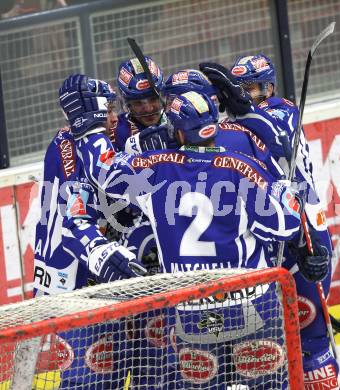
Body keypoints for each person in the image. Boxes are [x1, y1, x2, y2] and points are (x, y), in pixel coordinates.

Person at [58, 68, 302, 387]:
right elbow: (286, 225)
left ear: (176, 130)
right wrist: (285, 189)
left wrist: (88, 128)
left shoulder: (157, 170)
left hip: (191, 312)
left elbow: (104, 172)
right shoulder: (245, 169)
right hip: (252, 302)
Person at [201, 58, 337, 388]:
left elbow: (277, 141)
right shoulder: (235, 123)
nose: (242, 96)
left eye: (248, 89)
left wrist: (240, 103)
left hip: (306, 234)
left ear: (269, 88)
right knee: (272, 346)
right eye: (237, 90)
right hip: (273, 234)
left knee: (313, 340)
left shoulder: (282, 111)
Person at [34, 75, 147, 389]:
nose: (115, 117)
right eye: (108, 110)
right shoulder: (65, 148)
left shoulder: (112, 136)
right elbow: (75, 221)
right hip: (72, 289)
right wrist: (102, 254)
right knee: (89, 380)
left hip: (109, 287)